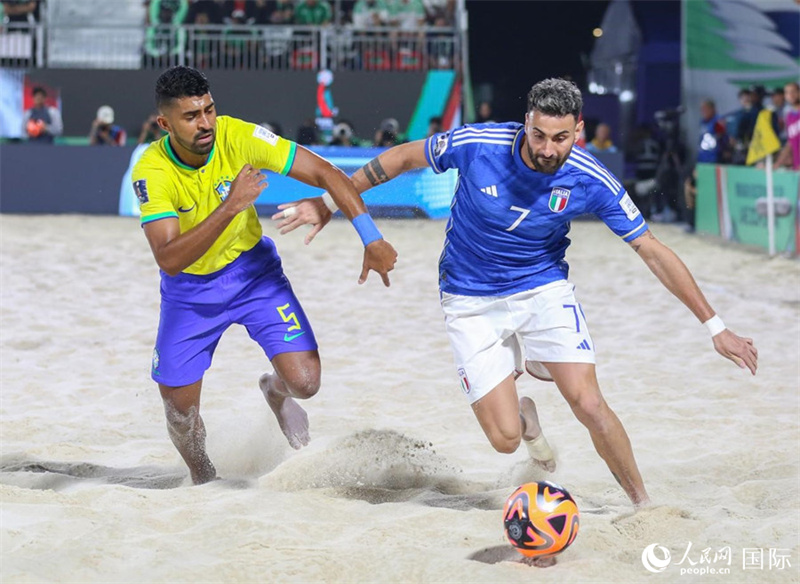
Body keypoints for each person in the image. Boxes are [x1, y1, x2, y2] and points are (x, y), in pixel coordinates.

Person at [273, 78, 758, 508]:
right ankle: (527, 416)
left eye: (561, 138)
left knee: (588, 404)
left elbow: (651, 249)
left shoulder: (590, 178)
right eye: (539, 135)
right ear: (525, 122)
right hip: (468, 297)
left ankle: (643, 504)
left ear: (579, 130)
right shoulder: (479, 143)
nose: (548, 149)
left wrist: (715, 327)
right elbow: (401, 158)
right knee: (505, 440)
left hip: (542, 287)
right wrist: (329, 203)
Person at [132, 66, 397, 484]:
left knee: (306, 383)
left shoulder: (239, 136)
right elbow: (168, 258)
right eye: (191, 116)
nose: (205, 123)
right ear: (165, 124)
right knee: (180, 415)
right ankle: (205, 479)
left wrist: (370, 236)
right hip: (190, 292)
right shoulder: (152, 170)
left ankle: (274, 392)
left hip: (254, 275)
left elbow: (326, 173)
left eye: (209, 109)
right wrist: (231, 205)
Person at [776, 81, 800, 171]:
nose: (790, 95)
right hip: (796, 167)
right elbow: (790, 142)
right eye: (787, 92)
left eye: (793, 91)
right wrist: (778, 163)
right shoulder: (789, 116)